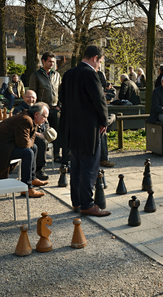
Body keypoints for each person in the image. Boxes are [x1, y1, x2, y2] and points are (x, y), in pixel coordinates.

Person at [59, 45, 111, 217]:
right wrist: (104, 121)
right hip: (89, 127)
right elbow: (99, 100)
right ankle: (88, 204)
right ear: (95, 58)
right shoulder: (90, 74)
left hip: (72, 127)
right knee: (89, 166)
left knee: (76, 166)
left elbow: (62, 99)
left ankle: (77, 202)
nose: (99, 66)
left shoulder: (68, 74)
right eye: (100, 62)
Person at [0, 102, 50, 198]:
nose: (45, 120)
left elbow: (29, 139)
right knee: (27, 152)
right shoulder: (25, 120)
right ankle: (27, 187)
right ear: (36, 114)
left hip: (5, 145)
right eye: (45, 117)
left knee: (34, 148)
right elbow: (23, 144)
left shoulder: (30, 118)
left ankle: (32, 178)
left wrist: (30, 141)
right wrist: (30, 141)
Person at [29, 51, 63, 163]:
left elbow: (60, 92)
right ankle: (40, 158)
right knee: (41, 134)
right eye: (49, 61)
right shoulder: (36, 75)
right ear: (43, 61)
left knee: (55, 133)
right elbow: (33, 93)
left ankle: (57, 155)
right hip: (42, 111)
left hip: (55, 109)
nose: (52, 64)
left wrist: (59, 105)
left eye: (53, 62)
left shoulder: (57, 75)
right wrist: (37, 109)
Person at [13, 90, 50, 180]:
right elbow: (20, 129)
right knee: (40, 143)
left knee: (42, 141)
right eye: (28, 97)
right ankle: (37, 170)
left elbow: (46, 123)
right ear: (24, 98)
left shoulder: (40, 108)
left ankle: (33, 175)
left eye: (33, 97)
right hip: (25, 136)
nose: (31, 99)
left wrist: (46, 130)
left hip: (38, 133)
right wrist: (37, 134)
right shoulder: (19, 110)